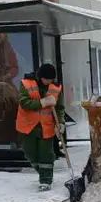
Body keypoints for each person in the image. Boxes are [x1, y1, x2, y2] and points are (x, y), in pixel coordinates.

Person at [16, 63, 66, 192]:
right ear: (40, 76)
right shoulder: (26, 84)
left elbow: (60, 108)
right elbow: (24, 103)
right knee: (30, 154)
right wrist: (42, 102)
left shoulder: (56, 87)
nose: (49, 82)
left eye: (51, 79)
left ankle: (45, 180)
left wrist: (60, 123)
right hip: (28, 126)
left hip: (46, 126)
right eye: (46, 79)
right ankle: (43, 173)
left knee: (46, 155)